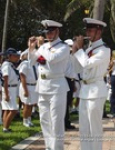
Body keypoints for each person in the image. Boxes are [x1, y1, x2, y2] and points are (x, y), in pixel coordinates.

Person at [28, 19, 70, 150]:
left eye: (51, 32)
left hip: (57, 86)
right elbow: (32, 61)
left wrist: (40, 47)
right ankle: (49, 147)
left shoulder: (63, 47)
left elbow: (52, 59)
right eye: (46, 33)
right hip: (43, 86)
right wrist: (31, 48)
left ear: (57, 31)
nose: (48, 35)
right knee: (44, 120)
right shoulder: (44, 47)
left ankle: (57, 148)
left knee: (56, 122)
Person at [72, 18, 110, 150]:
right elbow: (77, 69)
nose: (87, 32)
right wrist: (75, 50)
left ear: (99, 31)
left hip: (96, 90)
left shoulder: (104, 49)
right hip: (85, 90)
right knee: (84, 128)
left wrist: (79, 50)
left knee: (95, 128)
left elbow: (87, 63)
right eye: (87, 30)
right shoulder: (88, 50)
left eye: (90, 30)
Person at [1, 48, 20, 133]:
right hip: (8, 88)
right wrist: (7, 94)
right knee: (13, 110)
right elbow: (5, 80)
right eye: (15, 56)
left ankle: (6, 128)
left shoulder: (10, 64)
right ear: (9, 56)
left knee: (7, 109)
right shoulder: (6, 65)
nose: (17, 57)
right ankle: (6, 128)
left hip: (11, 88)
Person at [18, 50, 38, 127]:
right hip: (27, 86)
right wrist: (25, 90)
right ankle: (25, 120)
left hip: (34, 86)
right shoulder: (25, 64)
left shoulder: (35, 64)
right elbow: (22, 76)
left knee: (31, 104)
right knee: (27, 104)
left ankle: (29, 119)